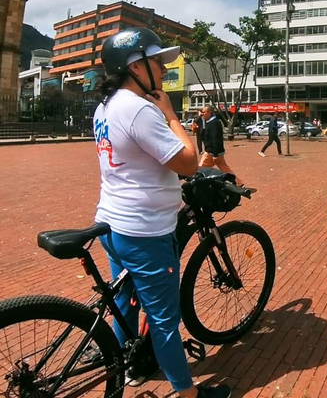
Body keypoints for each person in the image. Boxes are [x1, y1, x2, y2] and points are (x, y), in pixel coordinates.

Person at [93, 27, 230, 398]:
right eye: (156, 61)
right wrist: (170, 115)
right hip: (145, 231)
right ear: (135, 67)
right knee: (165, 321)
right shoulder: (139, 109)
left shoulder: (105, 105)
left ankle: (126, 367)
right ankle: (188, 394)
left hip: (111, 222)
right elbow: (186, 163)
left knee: (123, 305)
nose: (164, 69)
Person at [199, 105, 245, 187]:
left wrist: (215, 154)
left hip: (211, 153)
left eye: (203, 112)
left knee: (200, 170)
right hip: (213, 152)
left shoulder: (214, 123)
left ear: (209, 113)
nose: (202, 114)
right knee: (225, 169)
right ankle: (239, 183)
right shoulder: (210, 122)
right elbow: (205, 135)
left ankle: (199, 185)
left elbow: (216, 139)